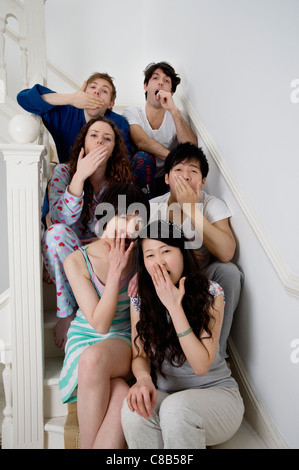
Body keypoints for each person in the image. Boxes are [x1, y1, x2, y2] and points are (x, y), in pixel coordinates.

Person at [121, 220, 244, 449]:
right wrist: (143, 379)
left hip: (216, 395)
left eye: (166, 251)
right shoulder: (140, 298)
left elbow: (200, 366)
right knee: (133, 411)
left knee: (176, 410)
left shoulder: (211, 293)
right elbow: (139, 355)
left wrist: (174, 307)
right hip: (168, 395)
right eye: (150, 255)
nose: (159, 261)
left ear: (182, 252)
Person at [59, 183, 150, 449]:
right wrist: (114, 272)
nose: (125, 233)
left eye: (135, 225)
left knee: (94, 359)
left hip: (123, 337)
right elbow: (98, 324)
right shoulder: (76, 260)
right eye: (121, 219)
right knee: (121, 393)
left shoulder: (141, 256)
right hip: (85, 336)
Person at [42, 116, 133, 350]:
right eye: (94, 136)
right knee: (55, 235)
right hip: (70, 252)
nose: (100, 142)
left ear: (114, 149)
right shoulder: (63, 172)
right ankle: (66, 313)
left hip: (100, 254)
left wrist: (101, 238)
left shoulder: (120, 182)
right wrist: (80, 177)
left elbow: (122, 227)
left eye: (107, 138)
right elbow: (60, 221)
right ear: (84, 142)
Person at [147, 142, 244, 358]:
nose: (185, 177)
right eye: (178, 170)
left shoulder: (212, 205)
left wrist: (191, 209)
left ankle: (216, 355)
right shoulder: (153, 207)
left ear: (203, 181)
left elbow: (227, 253)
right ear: (166, 178)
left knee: (229, 271)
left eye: (193, 171)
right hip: (164, 279)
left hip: (201, 278)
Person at [17, 72, 132, 162]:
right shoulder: (64, 112)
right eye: (93, 87)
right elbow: (23, 98)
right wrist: (71, 98)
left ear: (111, 104)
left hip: (106, 183)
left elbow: (125, 163)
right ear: (84, 93)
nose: (97, 92)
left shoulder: (119, 123)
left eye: (104, 91)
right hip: (70, 180)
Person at [123, 62, 197, 198]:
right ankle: (144, 210)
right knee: (143, 157)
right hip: (140, 177)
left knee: (182, 169)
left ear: (171, 92)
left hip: (167, 179)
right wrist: (173, 159)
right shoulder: (132, 112)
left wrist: (173, 110)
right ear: (145, 86)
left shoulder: (178, 116)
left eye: (166, 81)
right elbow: (141, 141)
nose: (161, 83)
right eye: (155, 78)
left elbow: (191, 149)